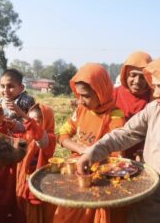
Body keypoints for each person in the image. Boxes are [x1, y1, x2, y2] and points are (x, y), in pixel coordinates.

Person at [77, 51, 160, 223]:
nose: (156, 93)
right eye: (155, 86)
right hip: (143, 196)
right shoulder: (155, 109)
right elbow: (125, 133)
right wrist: (93, 152)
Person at [53, 63, 125, 223]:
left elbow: (116, 157)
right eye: (78, 95)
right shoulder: (80, 110)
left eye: (86, 96)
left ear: (101, 92)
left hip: (99, 183)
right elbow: (62, 135)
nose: (81, 101)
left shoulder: (115, 117)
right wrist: (82, 149)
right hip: (76, 176)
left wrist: (91, 155)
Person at [0, 68, 35, 223]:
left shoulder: (27, 103)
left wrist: (15, 119)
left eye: (10, 86)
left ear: (21, 88)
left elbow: (32, 128)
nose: (6, 90)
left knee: (14, 189)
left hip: (17, 156)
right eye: (2, 86)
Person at [6, 103, 57, 223]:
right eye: (31, 120)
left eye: (37, 121)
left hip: (38, 184)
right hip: (23, 181)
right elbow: (10, 139)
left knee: (34, 216)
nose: (33, 123)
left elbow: (41, 140)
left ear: (47, 121)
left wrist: (24, 116)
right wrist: (4, 124)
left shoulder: (50, 138)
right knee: (23, 212)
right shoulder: (26, 135)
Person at [113, 51, 152, 159]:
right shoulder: (113, 95)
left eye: (142, 77)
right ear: (125, 75)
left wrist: (146, 151)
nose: (137, 81)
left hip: (145, 157)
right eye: (132, 75)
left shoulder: (155, 97)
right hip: (115, 155)